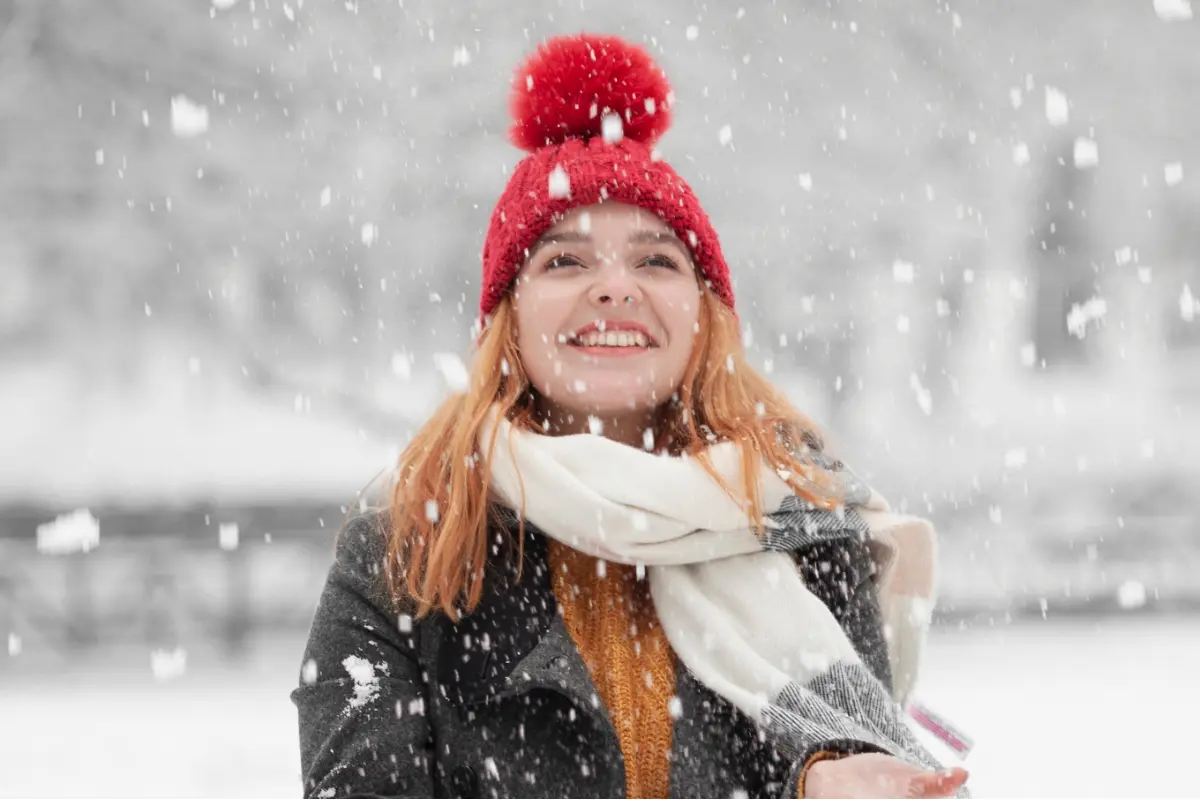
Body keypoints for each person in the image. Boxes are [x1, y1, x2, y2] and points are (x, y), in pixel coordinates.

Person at [292, 33, 970, 799]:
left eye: (655, 259)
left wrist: (823, 783)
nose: (615, 288)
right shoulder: (410, 548)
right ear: (506, 321)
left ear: (703, 317)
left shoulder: (800, 521)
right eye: (565, 261)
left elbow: (846, 750)